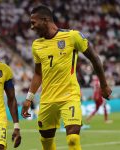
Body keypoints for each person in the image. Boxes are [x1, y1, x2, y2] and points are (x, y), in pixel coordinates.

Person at [21, 5, 112, 150]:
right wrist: (29, 98)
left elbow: (94, 58)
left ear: (45, 20)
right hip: (47, 99)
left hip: (69, 96)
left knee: (73, 139)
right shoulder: (36, 45)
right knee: (46, 142)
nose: (32, 27)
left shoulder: (72, 36)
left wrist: (104, 85)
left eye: (34, 22)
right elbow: (38, 73)